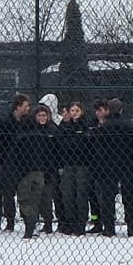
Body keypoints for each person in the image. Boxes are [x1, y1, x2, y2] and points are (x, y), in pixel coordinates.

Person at [15, 99, 60, 237]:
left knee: (45, 198)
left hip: (47, 169)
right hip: (33, 169)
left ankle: (47, 223)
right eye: (39, 115)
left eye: (44, 115)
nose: (42, 118)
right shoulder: (30, 132)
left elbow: (55, 152)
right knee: (33, 198)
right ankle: (35, 222)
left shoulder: (52, 130)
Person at [89, 99, 133, 236]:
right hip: (126, 165)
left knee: (107, 198)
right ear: (121, 110)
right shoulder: (129, 125)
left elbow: (96, 148)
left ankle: (109, 228)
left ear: (108, 110)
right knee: (129, 197)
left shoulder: (102, 128)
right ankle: (132, 226)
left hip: (106, 166)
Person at [0, 93, 32, 233]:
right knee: (8, 193)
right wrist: (3, 160)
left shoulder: (29, 122)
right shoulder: (5, 123)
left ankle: (28, 220)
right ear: (18, 106)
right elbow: (0, 143)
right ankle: (9, 221)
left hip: (25, 162)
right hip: (8, 162)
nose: (28, 108)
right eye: (26, 105)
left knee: (25, 193)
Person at [55, 100, 92, 235]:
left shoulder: (86, 125)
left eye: (77, 110)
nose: (74, 113)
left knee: (81, 195)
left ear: (82, 111)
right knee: (67, 194)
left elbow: (84, 144)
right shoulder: (65, 126)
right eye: (72, 110)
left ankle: (80, 224)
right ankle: (70, 223)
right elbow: (59, 141)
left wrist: (71, 141)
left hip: (82, 164)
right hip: (68, 164)